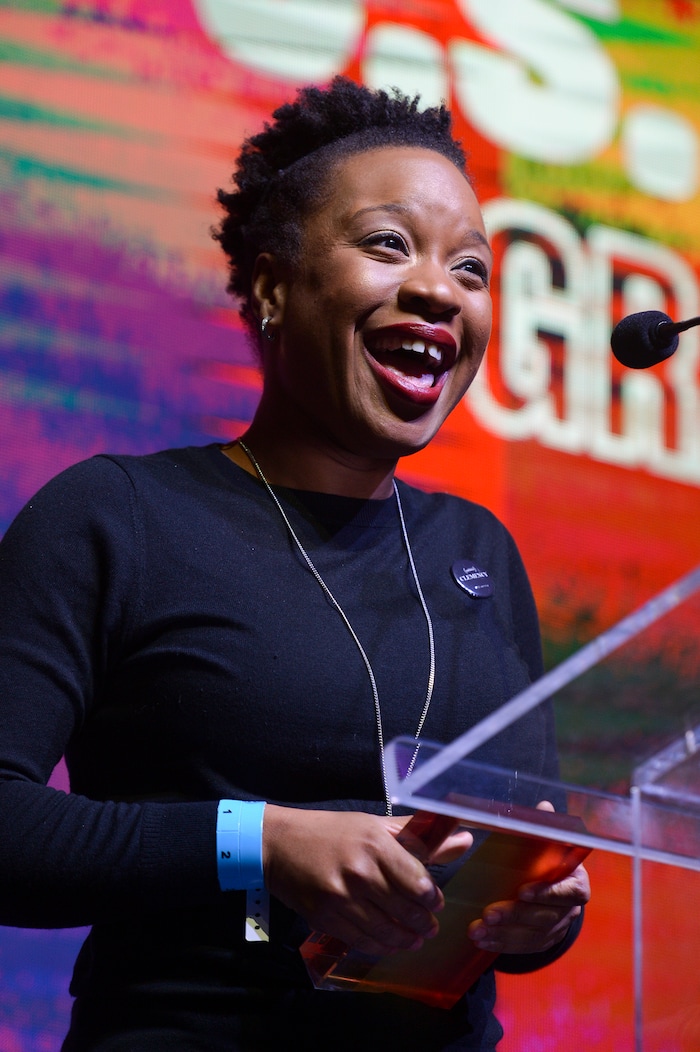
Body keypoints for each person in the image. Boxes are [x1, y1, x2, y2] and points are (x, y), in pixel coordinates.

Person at [0, 77, 589, 1050]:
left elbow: (515, 864)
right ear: (272, 282)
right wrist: (257, 841)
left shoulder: (480, 551)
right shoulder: (118, 514)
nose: (439, 288)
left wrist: (535, 916)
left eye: (472, 268)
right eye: (388, 244)